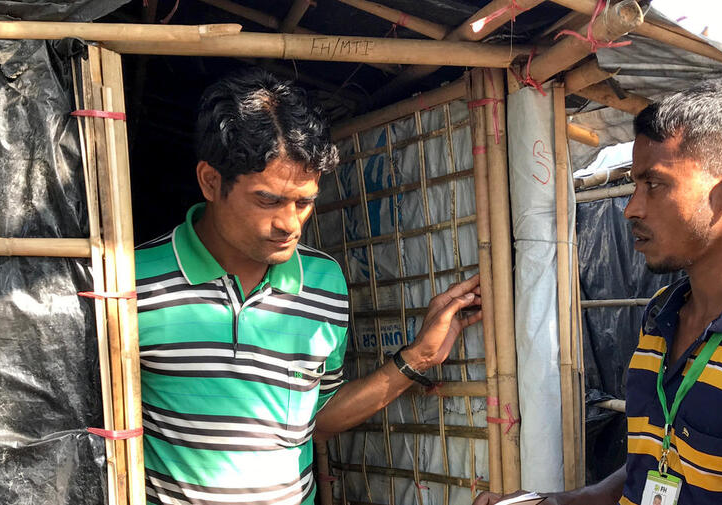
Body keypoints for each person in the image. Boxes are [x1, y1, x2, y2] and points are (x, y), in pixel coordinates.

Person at [475, 80, 722, 505]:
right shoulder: (664, 311)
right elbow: (657, 461)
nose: (631, 207)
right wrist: (560, 502)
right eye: (633, 184)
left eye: (654, 184)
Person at [135, 69, 482, 505]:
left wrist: (419, 357)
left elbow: (314, 418)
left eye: (304, 202)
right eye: (268, 199)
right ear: (210, 181)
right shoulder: (133, 281)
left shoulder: (324, 282)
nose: (289, 223)